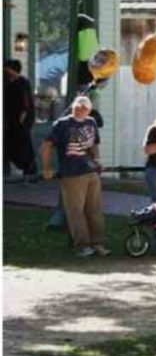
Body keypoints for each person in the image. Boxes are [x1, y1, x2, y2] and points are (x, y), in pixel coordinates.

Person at [39, 95, 108, 257]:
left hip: (91, 171)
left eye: (84, 107)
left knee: (94, 210)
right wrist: (46, 168)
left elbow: (94, 145)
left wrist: (97, 161)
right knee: (75, 211)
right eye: (77, 106)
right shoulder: (62, 124)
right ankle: (84, 245)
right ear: (72, 107)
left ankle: (97, 244)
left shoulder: (91, 122)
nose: (80, 109)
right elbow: (46, 145)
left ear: (89, 110)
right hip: (71, 172)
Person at [4, 59, 37, 178]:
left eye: (7, 69)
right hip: (11, 120)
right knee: (11, 144)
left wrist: (21, 120)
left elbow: (25, 104)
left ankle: (29, 170)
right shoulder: (9, 82)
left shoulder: (22, 82)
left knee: (23, 145)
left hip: (20, 121)